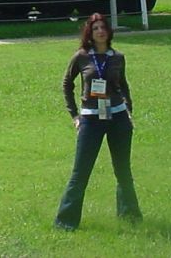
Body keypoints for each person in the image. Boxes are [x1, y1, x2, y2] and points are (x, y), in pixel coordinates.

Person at [54, 13, 142, 230]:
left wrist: (129, 111)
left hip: (118, 118)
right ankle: (66, 222)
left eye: (103, 27)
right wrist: (74, 115)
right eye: (95, 29)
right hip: (91, 120)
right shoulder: (82, 57)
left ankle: (130, 217)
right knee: (80, 173)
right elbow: (67, 84)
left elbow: (123, 85)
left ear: (109, 31)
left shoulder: (117, 57)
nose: (100, 31)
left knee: (123, 171)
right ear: (90, 34)